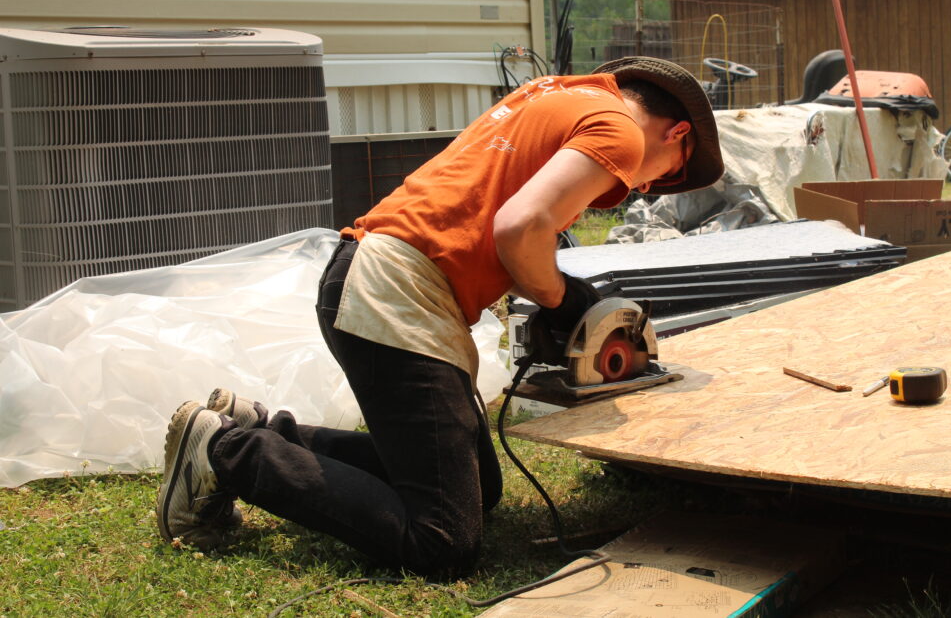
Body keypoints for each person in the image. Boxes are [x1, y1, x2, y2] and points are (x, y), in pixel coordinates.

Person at [155, 56, 724, 576]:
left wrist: (554, 290)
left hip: (389, 277)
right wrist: (562, 299)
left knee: (479, 488)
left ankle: (266, 431)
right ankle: (226, 452)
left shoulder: (554, 94)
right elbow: (519, 228)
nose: (645, 185)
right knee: (444, 540)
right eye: (667, 172)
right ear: (678, 132)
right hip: (397, 292)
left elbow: (508, 217)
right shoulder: (619, 130)